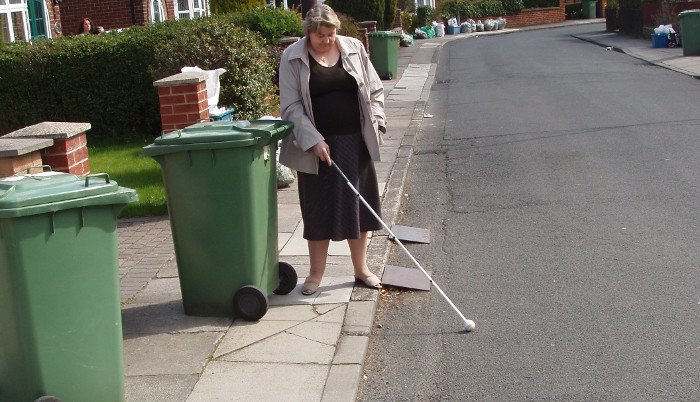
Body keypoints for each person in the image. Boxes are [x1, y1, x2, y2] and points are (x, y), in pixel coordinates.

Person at [278, 4, 387, 296]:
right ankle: (315, 274)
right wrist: (313, 139)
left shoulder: (353, 48)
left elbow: (374, 90)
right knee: (318, 209)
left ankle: (361, 269)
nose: (327, 40)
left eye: (331, 33)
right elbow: (290, 107)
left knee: (359, 206)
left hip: (356, 141)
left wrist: (378, 121)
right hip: (316, 147)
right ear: (308, 33)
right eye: (320, 36)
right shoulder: (292, 58)